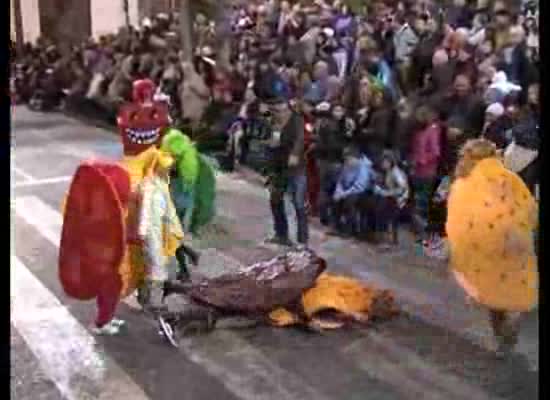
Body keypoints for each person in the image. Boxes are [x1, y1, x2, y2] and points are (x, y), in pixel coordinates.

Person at [446, 138, 538, 357]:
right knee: (510, 294)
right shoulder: (510, 179)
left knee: (493, 298)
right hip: (513, 242)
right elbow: (529, 209)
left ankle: (503, 340)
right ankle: (508, 335)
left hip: (486, 247)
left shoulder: (463, 182)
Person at [264, 97, 308, 248]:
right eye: (274, 111)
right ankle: (281, 234)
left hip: (296, 168)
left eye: (280, 110)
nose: (277, 114)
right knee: (275, 199)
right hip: (279, 167)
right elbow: (270, 145)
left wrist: (295, 154)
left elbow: (300, 140)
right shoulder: (273, 123)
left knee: (298, 203)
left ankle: (303, 241)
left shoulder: (297, 121)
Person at [330, 146, 374, 236]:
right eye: (346, 159)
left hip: (364, 193)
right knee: (335, 199)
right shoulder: (347, 165)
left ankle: (349, 229)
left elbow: (359, 186)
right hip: (349, 190)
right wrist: (338, 192)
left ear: (356, 158)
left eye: (349, 159)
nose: (347, 161)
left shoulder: (364, 167)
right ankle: (336, 226)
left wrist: (343, 194)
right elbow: (340, 180)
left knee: (350, 200)